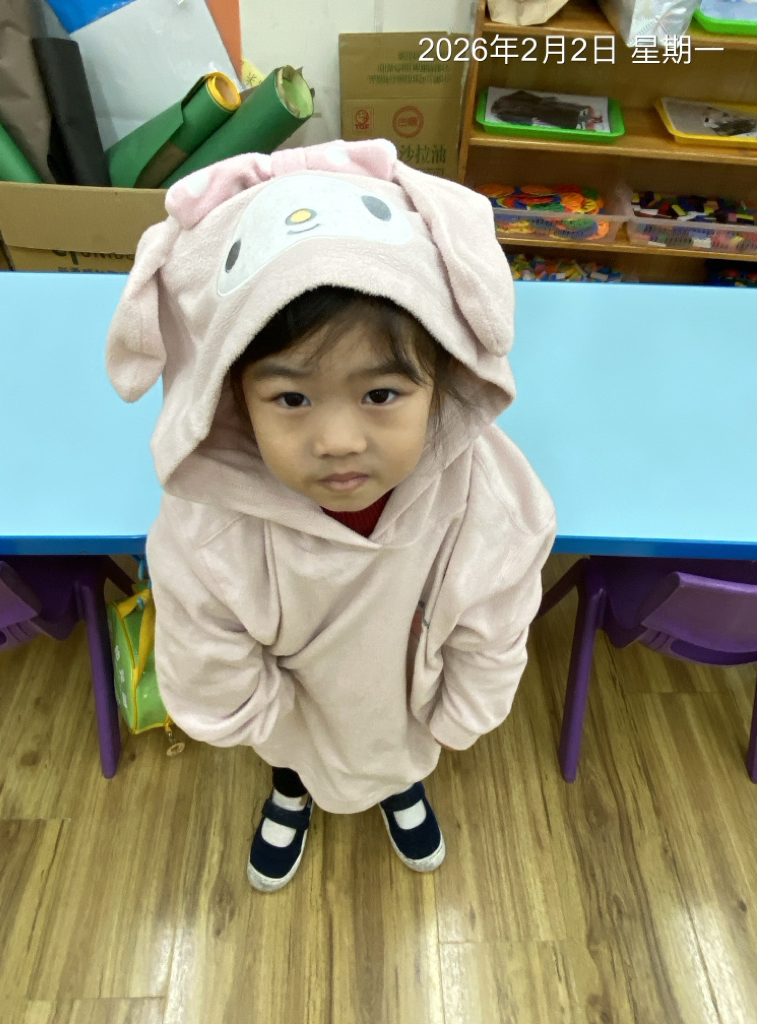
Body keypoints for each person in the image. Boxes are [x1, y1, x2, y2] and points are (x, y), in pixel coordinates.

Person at [105, 139, 556, 893]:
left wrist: (457, 719)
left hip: (410, 707)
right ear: (233, 397)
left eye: (381, 394)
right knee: (301, 761)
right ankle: (292, 790)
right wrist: (283, 732)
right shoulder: (209, 529)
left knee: (398, 755)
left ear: (443, 376)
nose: (339, 441)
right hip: (298, 718)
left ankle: (400, 786)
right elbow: (212, 664)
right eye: (291, 398)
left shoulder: (489, 496)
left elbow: (495, 625)